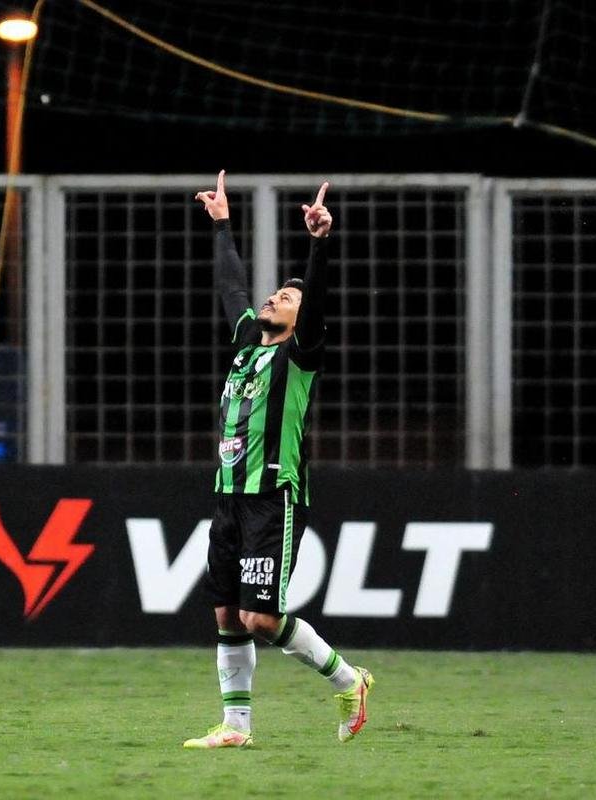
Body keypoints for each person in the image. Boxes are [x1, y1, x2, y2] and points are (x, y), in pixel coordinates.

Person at [184, 172, 373, 749]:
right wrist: (221, 225)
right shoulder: (248, 344)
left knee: (260, 621)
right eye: (276, 294)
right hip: (229, 497)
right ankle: (236, 728)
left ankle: (349, 680)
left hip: (274, 496)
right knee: (224, 614)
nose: (273, 299)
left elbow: (314, 303)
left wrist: (318, 243)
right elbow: (232, 289)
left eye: (285, 299)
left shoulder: (300, 355)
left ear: (298, 318)